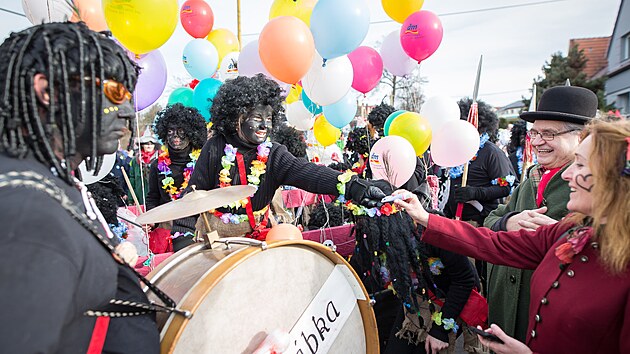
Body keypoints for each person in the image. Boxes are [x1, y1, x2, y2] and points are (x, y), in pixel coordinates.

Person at [393, 119, 630, 354]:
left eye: (580, 165)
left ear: (614, 179)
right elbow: (492, 243)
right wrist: (425, 218)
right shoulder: (570, 232)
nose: (567, 176)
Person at [0, 22, 160, 352]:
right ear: (48, 91)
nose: (128, 111)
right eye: (115, 93)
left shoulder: (51, 184)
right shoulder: (26, 213)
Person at [169, 74, 386, 251]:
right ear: (237, 118)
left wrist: (355, 187)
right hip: (216, 244)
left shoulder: (273, 154)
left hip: (259, 244)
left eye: (269, 118)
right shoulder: (215, 147)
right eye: (256, 118)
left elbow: (308, 173)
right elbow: (193, 196)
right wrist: (183, 240)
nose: (264, 125)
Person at [482, 85, 596, 341]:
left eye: (548, 134)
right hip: (503, 319)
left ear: (581, 137)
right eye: (534, 133)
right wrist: (508, 222)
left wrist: (562, 239)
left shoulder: (591, 189)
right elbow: (489, 221)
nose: (536, 142)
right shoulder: (532, 176)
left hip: (545, 327)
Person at [145, 103, 207, 211]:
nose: (175, 135)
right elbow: (152, 198)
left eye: (181, 131)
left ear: (191, 134)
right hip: (167, 222)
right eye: (170, 131)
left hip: (197, 222)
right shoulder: (157, 165)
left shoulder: (201, 162)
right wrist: (151, 222)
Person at [128, 128, 158, 205]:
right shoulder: (136, 160)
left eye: (151, 144)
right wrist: (131, 199)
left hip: (157, 198)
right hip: (140, 197)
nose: (149, 146)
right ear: (142, 145)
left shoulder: (160, 158)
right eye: (146, 143)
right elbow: (132, 179)